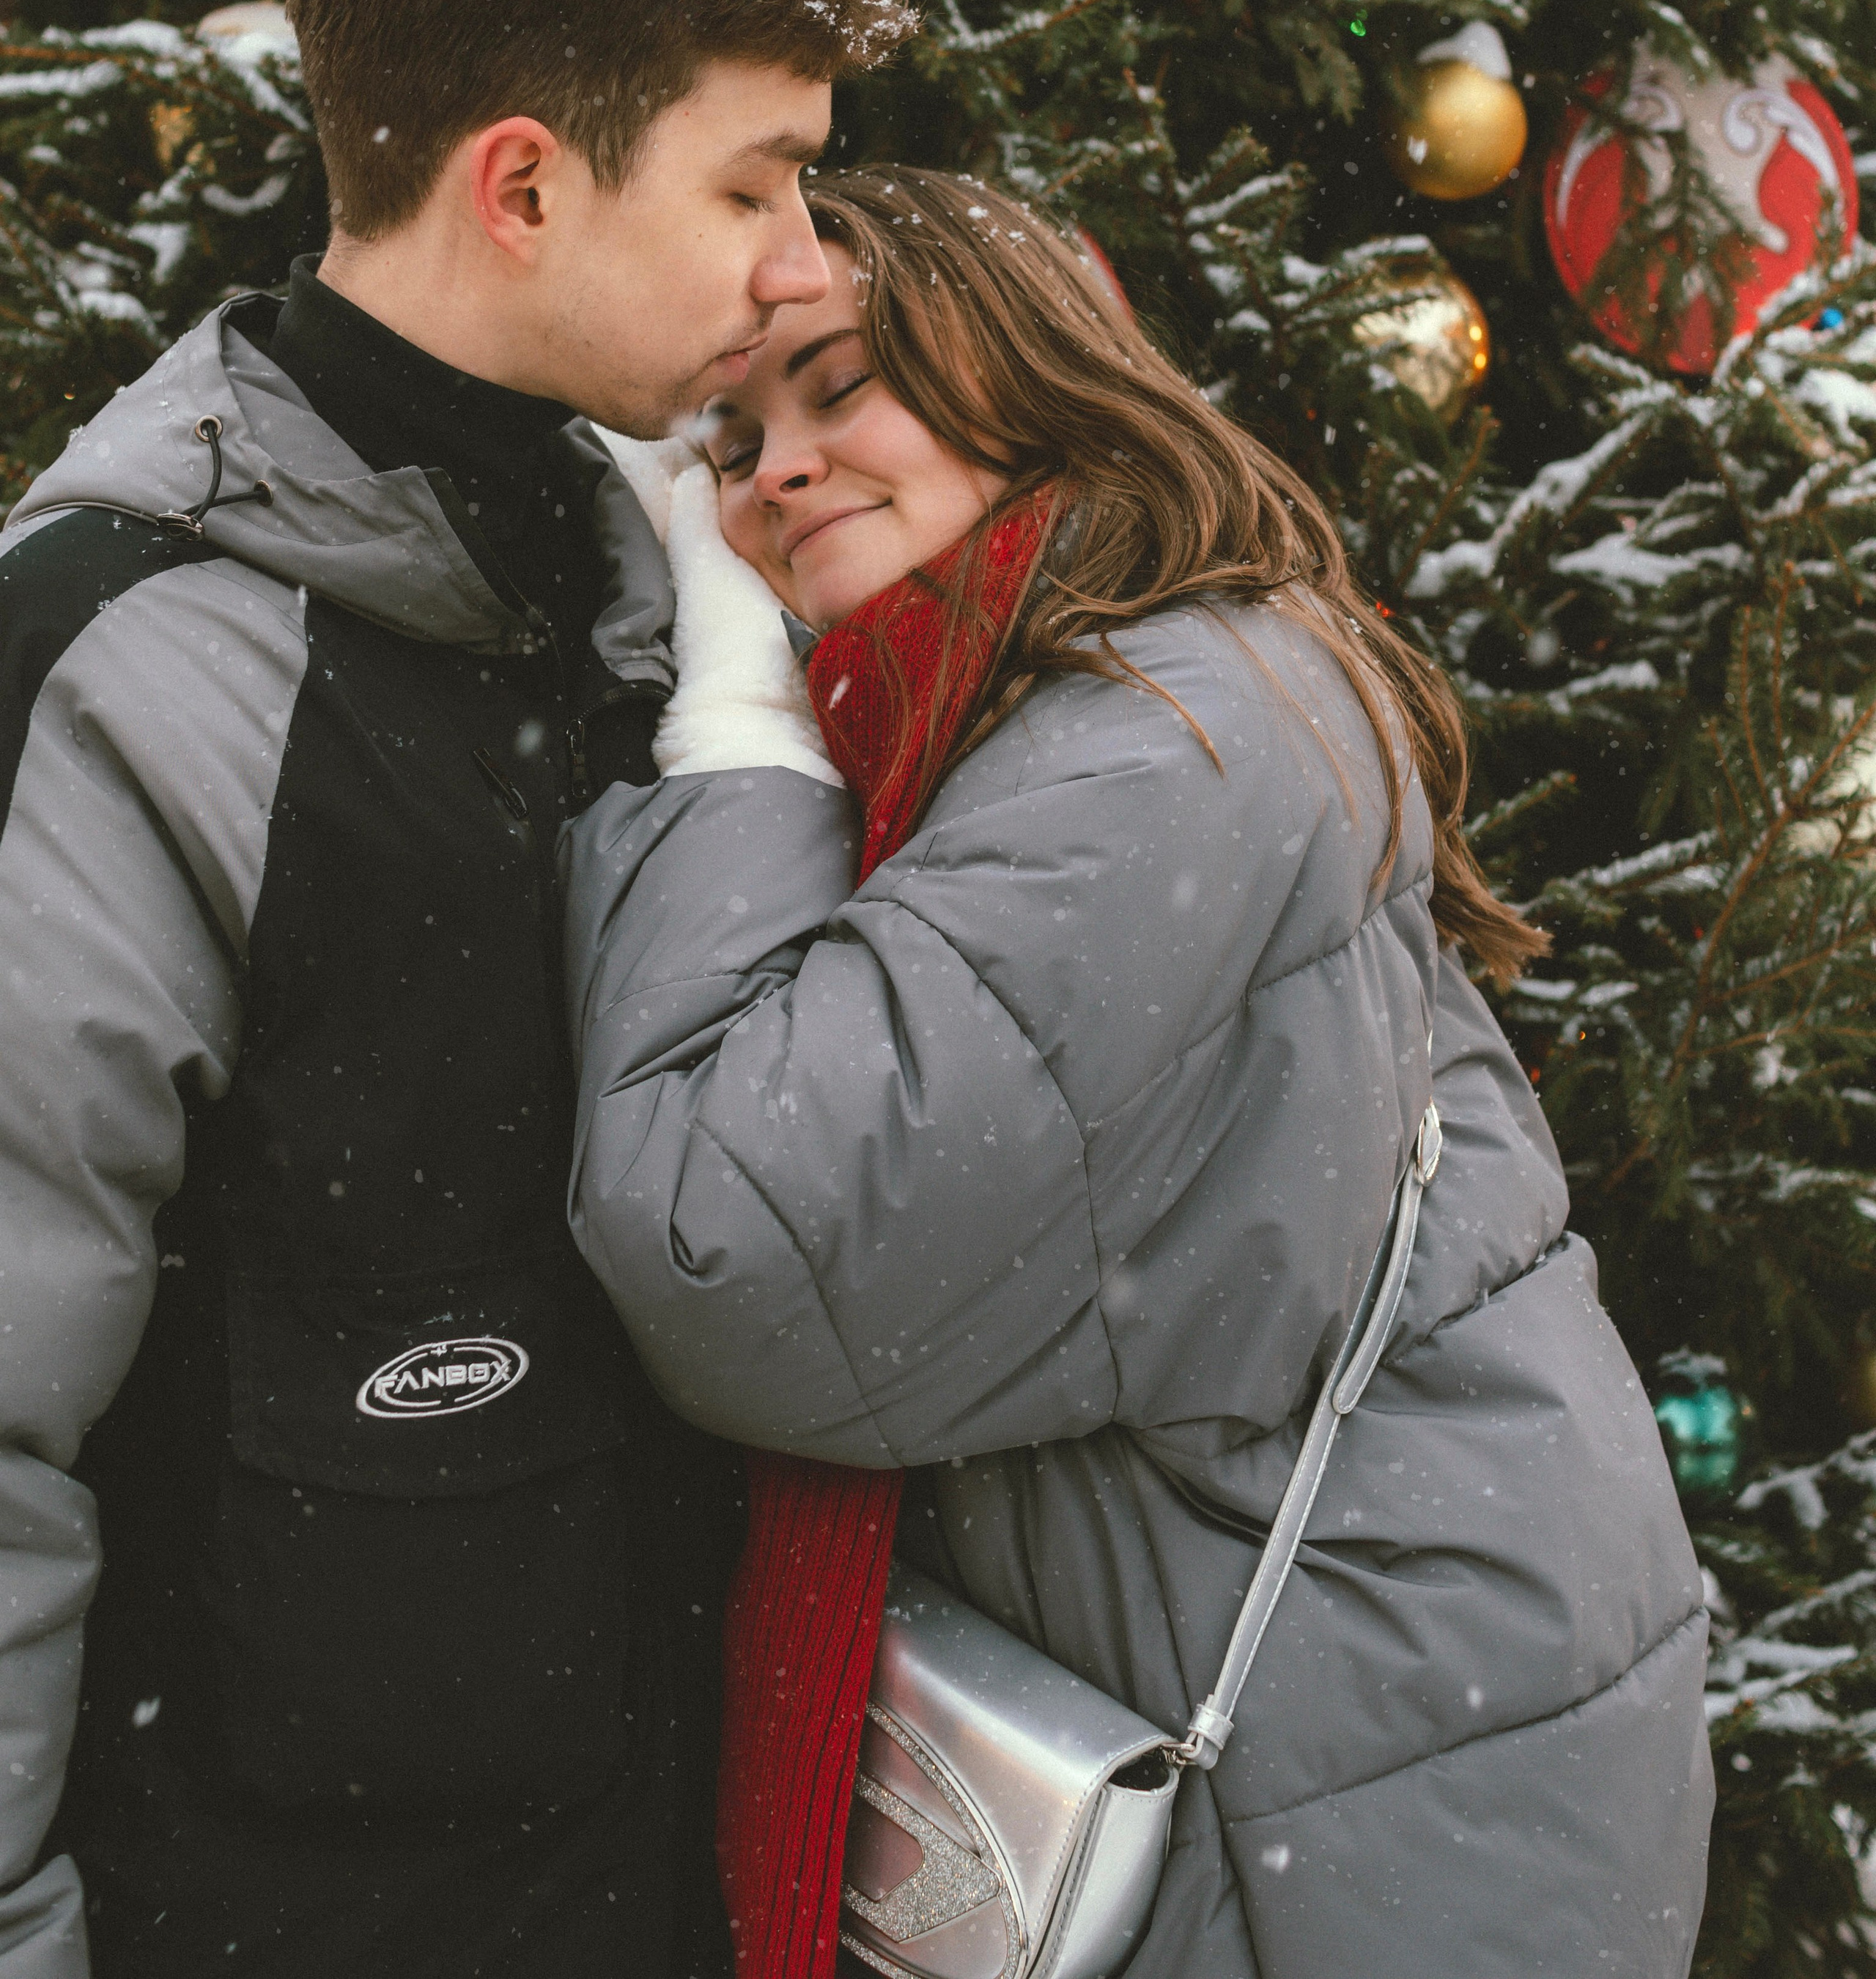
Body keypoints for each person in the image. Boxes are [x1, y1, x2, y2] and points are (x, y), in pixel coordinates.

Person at [568, 166, 1716, 1979]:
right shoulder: (1081, 717)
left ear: (1029, 378)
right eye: (727, 431)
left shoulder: (1163, 736)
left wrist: (732, 724)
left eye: (840, 381)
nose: (772, 467)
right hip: (1369, 1732)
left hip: (1351, 1796)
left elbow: (751, 1253)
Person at [0, 0, 910, 1979]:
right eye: (756, 184)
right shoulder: (132, 665)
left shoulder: (683, 595)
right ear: (520, 186)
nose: (806, 267)